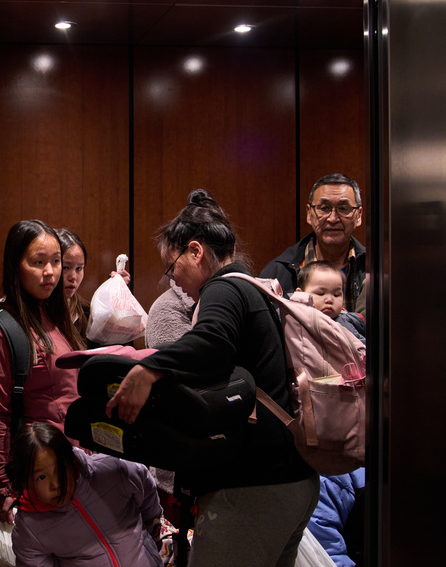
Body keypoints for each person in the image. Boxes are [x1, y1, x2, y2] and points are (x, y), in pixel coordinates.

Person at [105, 189, 318, 567]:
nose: (175, 281)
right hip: (293, 479)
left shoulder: (222, 288)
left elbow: (211, 342)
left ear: (196, 251)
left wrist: (147, 369)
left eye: (173, 269)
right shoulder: (256, 288)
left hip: (253, 486)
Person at [0, 220, 85, 525]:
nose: (51, 272)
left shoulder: (53, 315)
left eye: (56, 261)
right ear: (16, 266)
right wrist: (2, 487)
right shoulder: (0, 330)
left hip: (74, 461)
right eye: (38, 262)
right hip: (39, 474)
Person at [8, 422, 164, 567]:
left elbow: (144, 484)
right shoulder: (29, 528)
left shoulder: (110, 472)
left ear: (72, 461)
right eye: (41, 477)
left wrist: (153, 526)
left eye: (60, 469)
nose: (56, 484)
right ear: (25, 481)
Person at [295, 260, 367, 567]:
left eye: (336, 293)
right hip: (321, 435)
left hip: (355, 428)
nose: (329, 300)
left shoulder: (353, 327)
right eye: (320, 292)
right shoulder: (298, 323)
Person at [260, 173, 367, 316]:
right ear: (309, 213)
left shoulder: (374, 269)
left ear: (358, 215)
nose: (333, 218)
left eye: (343, 209)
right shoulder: (279, 272)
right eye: (324, 208)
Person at [56, 227, 132, 346]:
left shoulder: (89, 313)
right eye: (66, 267)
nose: (73, 277)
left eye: (79, 268)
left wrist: (117, 302)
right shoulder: (38, 312)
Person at [295, 260, 366, 341]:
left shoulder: (346, 325)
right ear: (300, 294)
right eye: (320, 293)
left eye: (336, 295)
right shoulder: (289, 318)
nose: (329, 300)